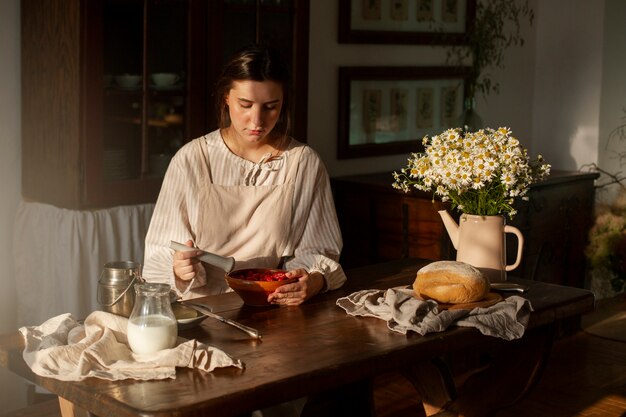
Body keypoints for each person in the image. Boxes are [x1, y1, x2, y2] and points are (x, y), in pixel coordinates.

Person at [142, 44, 347, 306]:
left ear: (283, 103)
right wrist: (179, 270)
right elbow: (159, 254)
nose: (257, 121)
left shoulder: (303, 163)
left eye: (270, 106)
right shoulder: (193, 159)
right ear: (226, 97)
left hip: (273, 306)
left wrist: (313, 281)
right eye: (245, 105)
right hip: (204, 310)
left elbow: (320, 250)